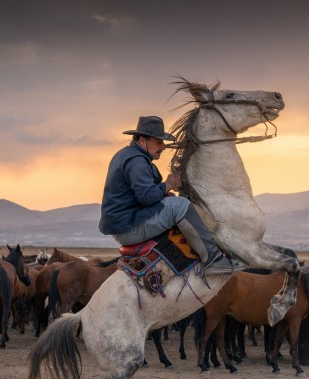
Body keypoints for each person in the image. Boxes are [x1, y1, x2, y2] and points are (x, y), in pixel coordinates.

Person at [98, 115, 242, 274]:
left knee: (173, 202)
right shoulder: (137, 162)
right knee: (180, 205)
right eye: (158, 142)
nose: (163, 147)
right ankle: (214, 261)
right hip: (129, 228)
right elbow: (146, 197)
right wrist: (169, 184)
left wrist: (166, 190)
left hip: (126, 223)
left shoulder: (129, 155)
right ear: (143, 140)